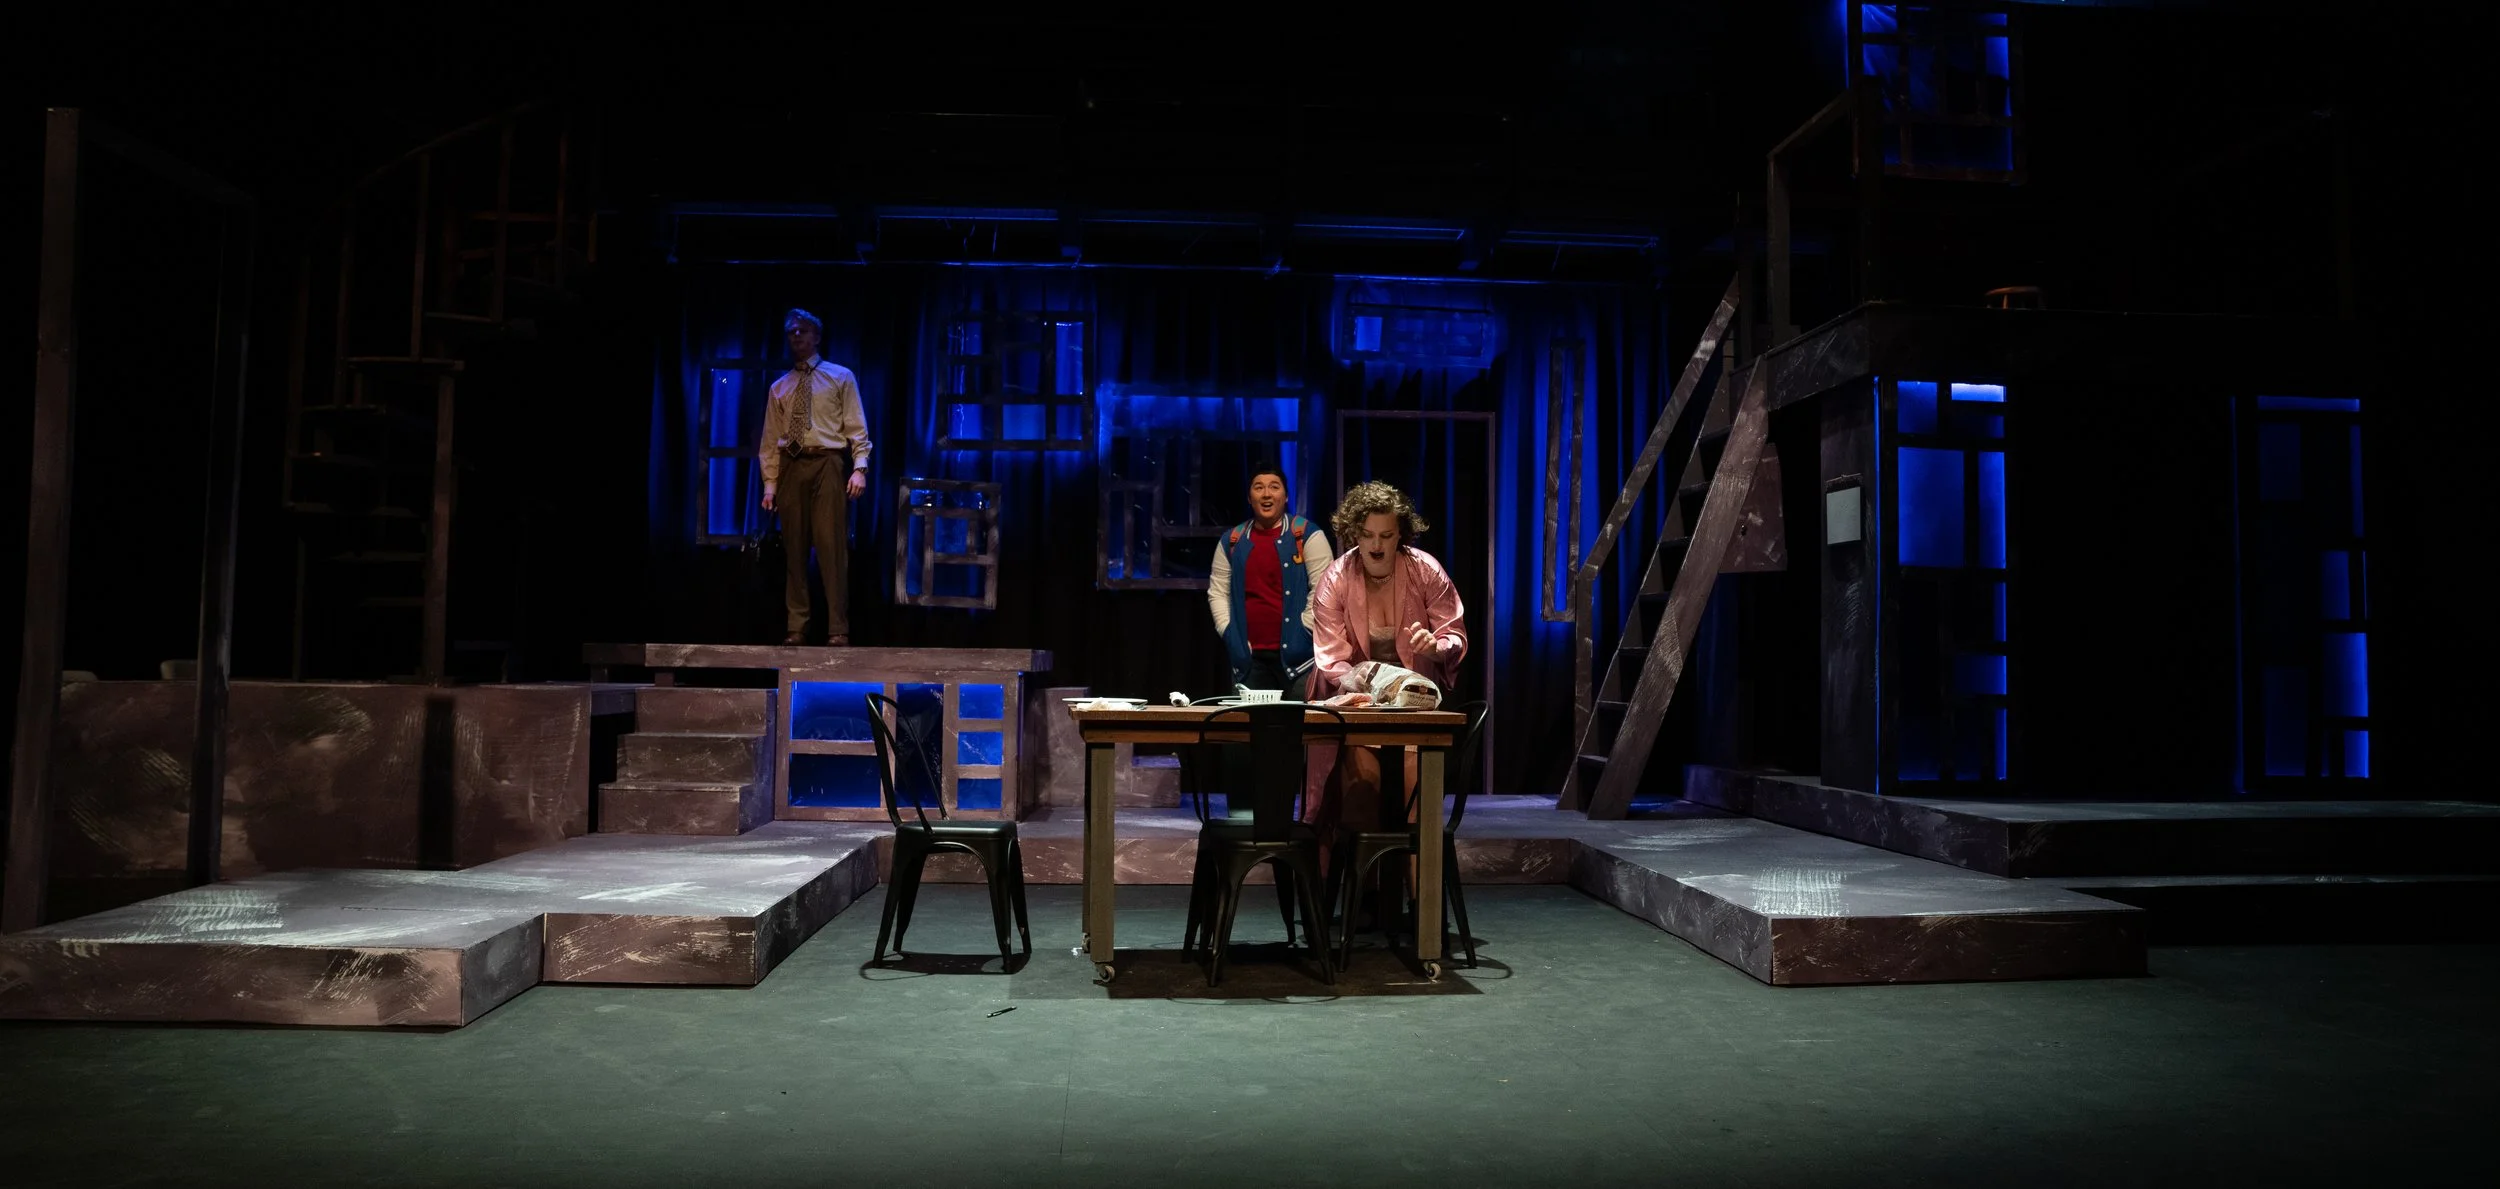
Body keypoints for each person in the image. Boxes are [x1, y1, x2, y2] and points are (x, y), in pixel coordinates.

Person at [1306, 480, 1468, 834]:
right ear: (1354, 534)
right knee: (1361, 794)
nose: (1376, 546)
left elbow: (1453, 633)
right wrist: (1373, 688)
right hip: (1357, 706)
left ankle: (1418, 871)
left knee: (1416, 806)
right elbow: (1332, 659)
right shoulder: (1335, 579)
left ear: (1401, 535)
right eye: (1367, 535)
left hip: (1412, 709)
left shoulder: (1425, 570)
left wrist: (1436, 647)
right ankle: (1361, 870)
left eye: (1386, 535)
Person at [759, 308, 874, 646]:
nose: (796, 336)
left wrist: (860, 468)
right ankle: (797, 625)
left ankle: (838, 627)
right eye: (791, 332)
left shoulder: (840, 377)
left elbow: (856, 426)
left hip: (827, 463)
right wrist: (770, 485)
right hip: (792, 465)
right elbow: (770, 440)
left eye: (803, 331)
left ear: (817, 337)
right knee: (794, 550)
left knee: (831, 547)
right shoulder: (779, 387)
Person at [1205, 460, 1334, 700]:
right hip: (1249, 663)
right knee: (1250, 724)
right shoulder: (1232, 541)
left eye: (1274, 487)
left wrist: (1305, 631)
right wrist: (1230, 632)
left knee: (1300, 722)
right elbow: (1218, 593)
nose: (1266, 494)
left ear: (1285, 496)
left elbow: (1325, 590)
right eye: (1259, 487)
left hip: (1300, 664)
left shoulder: (1307, 535)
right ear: (1249, 497)